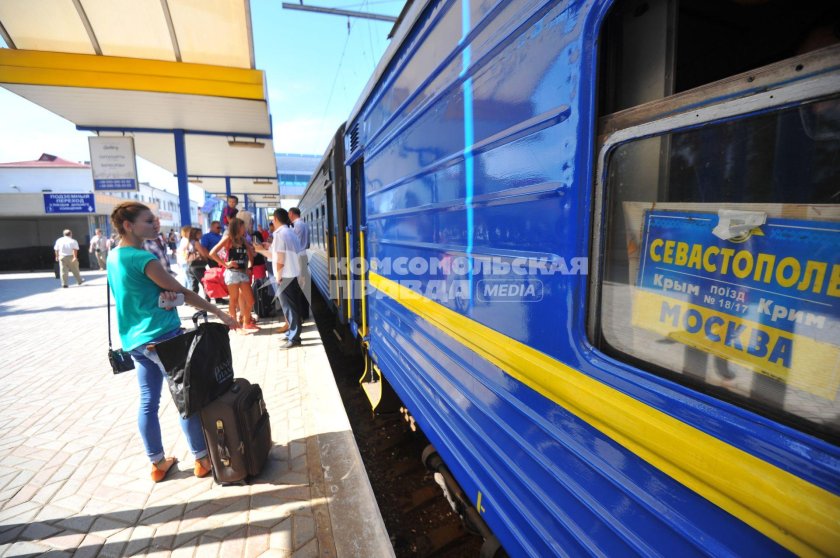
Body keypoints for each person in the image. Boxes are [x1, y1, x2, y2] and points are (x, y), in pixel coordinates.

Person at [106, 201, 238, 482]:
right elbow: (182, 292)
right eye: (147, 220)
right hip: (163, 338)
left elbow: (136, 294)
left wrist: (163, 297)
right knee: (186, 397)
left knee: (148, 402)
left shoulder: (113, 257)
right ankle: (202, 459)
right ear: (128, 225)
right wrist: (219, 313)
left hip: (135, 342)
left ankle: (157, 464)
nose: (154, 224)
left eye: (154, 220)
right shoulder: (142, 259)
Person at [210, 217, 258, 332]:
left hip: (242, 273)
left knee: (251, 300)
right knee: (233, 300)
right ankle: (235, 326)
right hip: (232, 273)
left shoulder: (243, 240)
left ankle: (246, 322)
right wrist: (226, 264)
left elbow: (251, 255)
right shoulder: (228, 239)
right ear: (237, 227)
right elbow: (212, 253)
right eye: (242, 226)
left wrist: (250, 267)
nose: (244, 228)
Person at [271, 208, 304, 349]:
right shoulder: (291, 232)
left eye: (273, 219)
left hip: (285, 275)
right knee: (293, 306)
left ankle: (294, 337)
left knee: (289, 307)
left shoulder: (279, 234)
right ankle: (292, 333)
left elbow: (280, 257)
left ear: (276, 219)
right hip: (294, 273)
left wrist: (278, 275)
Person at [288, 207, 311, 321]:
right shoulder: (304, 224)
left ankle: (302, 314)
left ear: (291, 213)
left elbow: (293, 243)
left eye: (288, 214)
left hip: (299, 257)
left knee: (300, 286)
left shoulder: (297, 226)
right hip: (303, 255)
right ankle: (304, 312)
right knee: (303, 285)